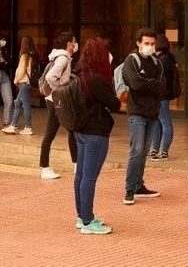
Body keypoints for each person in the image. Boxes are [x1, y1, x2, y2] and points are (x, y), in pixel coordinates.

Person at [73, 38, 122, 235]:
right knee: (89, 177)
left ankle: (82, 215)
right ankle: (87, 220)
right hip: (95, 132)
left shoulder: (80, 74)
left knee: (81, 175)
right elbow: (115, 104)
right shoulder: (96, 78)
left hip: (80, 130)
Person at [122, 27, 166, 206]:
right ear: (138, 43)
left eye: (152, 44)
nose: (149, 46)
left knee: (144, 151)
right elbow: (135, 83)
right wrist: (152, 84)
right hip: (137, 112)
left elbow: (163, 85)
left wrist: (147, 84)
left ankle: (139, 185)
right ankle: (130, 189)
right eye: (146, 43)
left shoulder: (157, 63)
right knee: (137, 150)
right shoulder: (131, 60)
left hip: (152, 112)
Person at [39, 31, 79, 180]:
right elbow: (51, 77)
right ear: (69, 44)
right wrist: (60, 90)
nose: (76, 45)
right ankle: (45, 168)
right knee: (53, 133)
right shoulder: (63, 59)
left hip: (55, 100)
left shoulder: (62, 57)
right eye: (74, 42)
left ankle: (76, 164)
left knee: (71, 129)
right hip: (56, 101)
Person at [149, 34, 177, 162]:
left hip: (162, 95)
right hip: (158, 95)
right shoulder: (162, 58)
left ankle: (164, 151)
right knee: (157, 122)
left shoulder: (164, 59)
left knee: (165, 121)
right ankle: (155, 149)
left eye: (152, 43)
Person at [3, 35, 38, 135]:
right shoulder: (33, 55)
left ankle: (28, 127)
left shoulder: (25, 56)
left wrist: (15, 81)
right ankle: (13, 126)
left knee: (25, 105)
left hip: (23, 83)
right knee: (18, 104)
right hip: (28, 83)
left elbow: (21, 71)